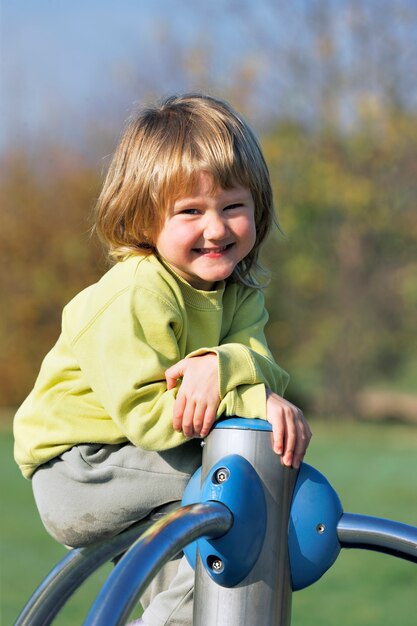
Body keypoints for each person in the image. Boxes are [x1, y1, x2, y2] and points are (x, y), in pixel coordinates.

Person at [13, 93, 312, 626]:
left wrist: (221, 366)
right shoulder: (137, 293)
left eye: (232, 206)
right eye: (190, 212)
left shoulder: (240, 296)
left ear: (257, 207)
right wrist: (241, 389)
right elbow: (154, 418)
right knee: (245, 480)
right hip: (84, 468)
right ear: (144, 219)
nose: (216, 228)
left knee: (204, 560)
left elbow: (266, 370)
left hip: (146, 468)